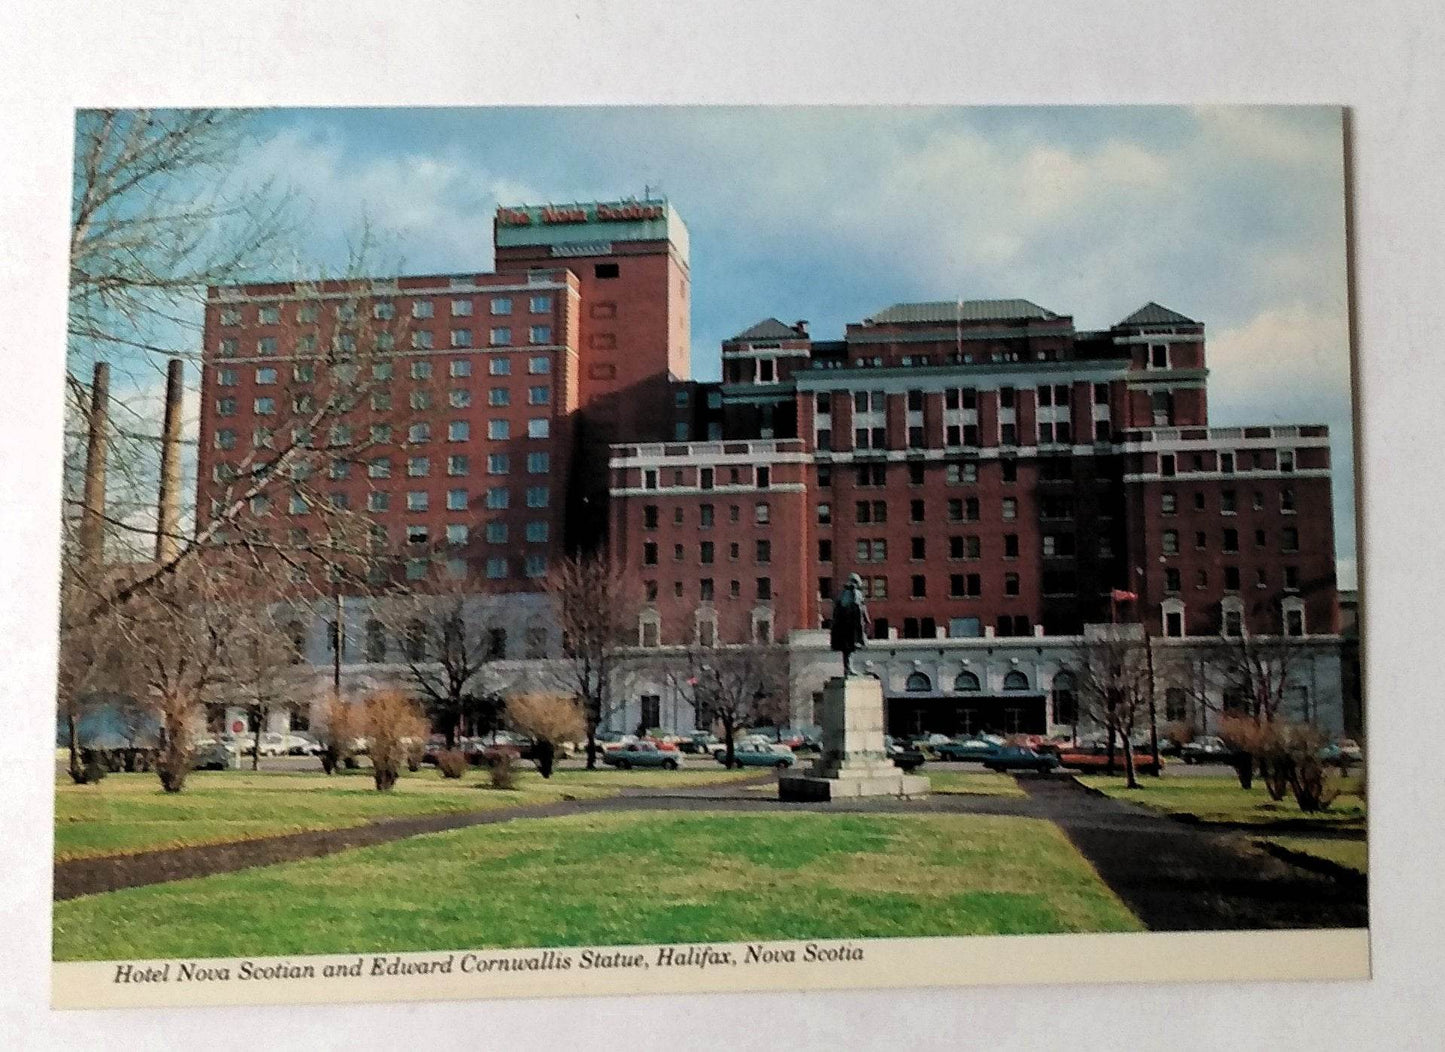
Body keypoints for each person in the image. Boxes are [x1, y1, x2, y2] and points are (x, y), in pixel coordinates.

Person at [829, 573, 871, 675]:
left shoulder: (848, 594)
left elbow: (861, 608)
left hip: (850, 627)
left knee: (849, 649)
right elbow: (855, 608)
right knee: (848, 649)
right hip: (849, 627)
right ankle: (848, 668)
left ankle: (848, 668)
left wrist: (866, 619)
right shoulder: (849, 594)